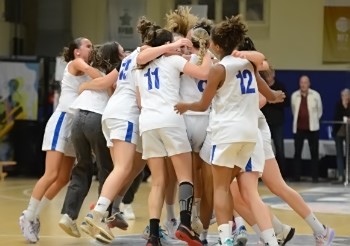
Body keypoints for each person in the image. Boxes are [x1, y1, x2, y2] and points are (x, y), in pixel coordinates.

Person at [174, 16, 285, 246]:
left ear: (215, 45)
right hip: (249, 134)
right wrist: (275, 97)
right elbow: (267, 91)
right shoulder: (248, 65)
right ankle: (270, 239)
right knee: (242, 188)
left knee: (221, 188)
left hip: (227, 133)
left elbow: (203, 105)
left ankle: (225, 238)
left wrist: (186, 106)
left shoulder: (219, 69)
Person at [136, 17, 212, 245]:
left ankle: (153, 234)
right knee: (185, 176)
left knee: (157, 182)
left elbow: (139, 96)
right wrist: (205, 52)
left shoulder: (141, 67)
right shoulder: (173, 62)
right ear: (167, 45)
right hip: (170, 119)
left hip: (147, 123)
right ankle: (185, 224)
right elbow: (203, 73)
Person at [19, 37, 102, 243]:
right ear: (77, 51)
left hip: (76, 126)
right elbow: (96, 75)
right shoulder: (76, 63)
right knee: (51, 174)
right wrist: (103, 75)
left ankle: (33, 216)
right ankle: (28, 216)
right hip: (62, 121)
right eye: (88, 46)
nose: (92, 48)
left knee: (64, 178)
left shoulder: (86, 67)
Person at [58, 41, 125, 238]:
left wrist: (88, 85)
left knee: (82, 168)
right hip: (96, 117)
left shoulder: (91, 70)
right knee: (108, 170)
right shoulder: (117, 70)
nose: (124, 54)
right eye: (121, 51)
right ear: (114, 55)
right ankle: (102, 219)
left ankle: (68, 215)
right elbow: (111, 89)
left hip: (78, 118)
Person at [291, 75, 323, 182]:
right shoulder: (294, 95)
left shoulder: (315, 95)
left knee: (314, 153)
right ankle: (297, 177)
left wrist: (313, 120)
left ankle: (315, 177)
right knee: (297, 153)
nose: (303, 84)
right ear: (299, 84)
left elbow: (319, 111)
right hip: (299, 128)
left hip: (312, 128)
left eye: (305, 82)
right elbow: (293, 110)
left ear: (309, 84)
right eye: (301, 82)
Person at [260, 67, 289, 177]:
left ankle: (282, 174)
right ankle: (262, 174)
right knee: (262, 148)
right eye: (265, 74)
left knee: (279, 148)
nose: (267, 76)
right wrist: (269, 100)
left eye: (269, 73)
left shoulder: (280, 86)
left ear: (273, 74)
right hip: (263, 122)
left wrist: (273, 101)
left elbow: (286, 102)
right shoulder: (261, 85)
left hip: (277, 122)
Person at [332, 88, 350, 183]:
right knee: (339, 154)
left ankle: (348, 175)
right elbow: (337, 116)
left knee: (348, 154)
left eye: (346, 95)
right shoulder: (338, 104)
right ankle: (340, 176)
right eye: (343, 95)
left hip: (349, 132)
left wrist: (346, 106)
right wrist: (343, 105)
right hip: (339, 131)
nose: (344, 97)